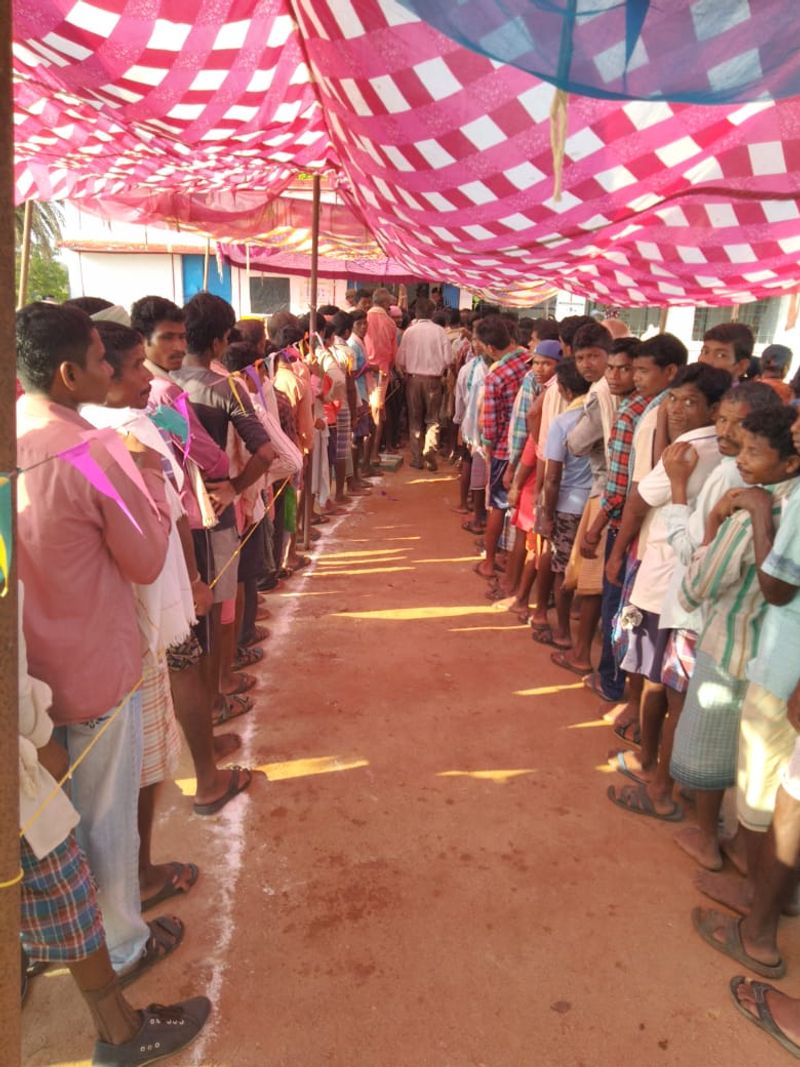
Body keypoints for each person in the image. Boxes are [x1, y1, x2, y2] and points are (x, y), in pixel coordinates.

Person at [16, 302, 179, 980]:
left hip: (28, 677)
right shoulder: (90, 450)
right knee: (103, 823)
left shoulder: (16, 434)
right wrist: (153, 481)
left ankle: (56, 948)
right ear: (67, 373)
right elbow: (144, 558)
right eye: (101, 356)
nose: (112, 366)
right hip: (91, 673)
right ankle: (122, 946)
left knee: (50, 828)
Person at [18, 584, 211, 1065]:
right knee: (65, 887)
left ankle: (30, 962)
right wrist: (40, 738)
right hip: (42, 720)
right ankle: (119, 1029)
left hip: (52, 684)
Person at [667, 407, 800, 844]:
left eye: (753, 452)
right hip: (766, 653)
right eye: (741, 449)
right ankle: (737, 839)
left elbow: (702, 584)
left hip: (726, 646)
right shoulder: (789, 500)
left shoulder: (748, 513)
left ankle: (707, 837)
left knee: (710, 746)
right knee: (747, 756)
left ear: (790, 461)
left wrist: (710, 526)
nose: (741, 460)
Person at [607, 363, 732, 821]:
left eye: (689, 402)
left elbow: (643, 496)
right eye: (673, 401)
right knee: (669, 687)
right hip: (695, 593)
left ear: (716, 410)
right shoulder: (734, 457)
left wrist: (619, 551)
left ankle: (659, 785)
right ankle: (660, 773)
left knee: (666, 689)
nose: (677, 410)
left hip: (670, 585)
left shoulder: (690, 451)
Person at [558, 336, 638, 677]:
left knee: (595, 584)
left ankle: (583, 656)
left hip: (606, 496)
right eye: (581, 358)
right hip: (613, 497)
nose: (589, 365)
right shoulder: (627, 399)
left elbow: (576, 444)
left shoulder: (603, 396)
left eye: (595, 356)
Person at [529, 359, 592, 647]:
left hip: (567, 503)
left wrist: (546, 514)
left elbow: (552, 476)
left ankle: (564, 632)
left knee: (561, 569)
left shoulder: (562, 423)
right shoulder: (601, 415)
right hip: (594, 505)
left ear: (564, 390)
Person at [474, 316, 531, 580]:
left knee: (497, 504)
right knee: (520, 507)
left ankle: (489, 561)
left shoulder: (496, 375)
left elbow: (490, 423)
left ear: (488, 347)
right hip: (531, 448)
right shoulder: (530, 361)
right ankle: (509, 557)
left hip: (503, 449)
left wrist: (487, 448)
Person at [395, 297, 452, 470]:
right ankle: (429, 450)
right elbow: (449, 359)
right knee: (432, 419)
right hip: (434, 380)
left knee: (415, 419)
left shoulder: (409, 332)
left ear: (416, 313)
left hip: (413, 379)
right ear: (432, 313)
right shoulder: (440, 331)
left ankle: (417, 457)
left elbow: (400, 359)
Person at [364, 287, 397, 464]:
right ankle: (372, 455)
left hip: (362, 373)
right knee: (376, 414)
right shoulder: (390, 323)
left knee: (365, 412)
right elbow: (393, 355)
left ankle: (365, 455)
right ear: (384, 304)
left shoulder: (363, 318)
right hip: (381, 374)